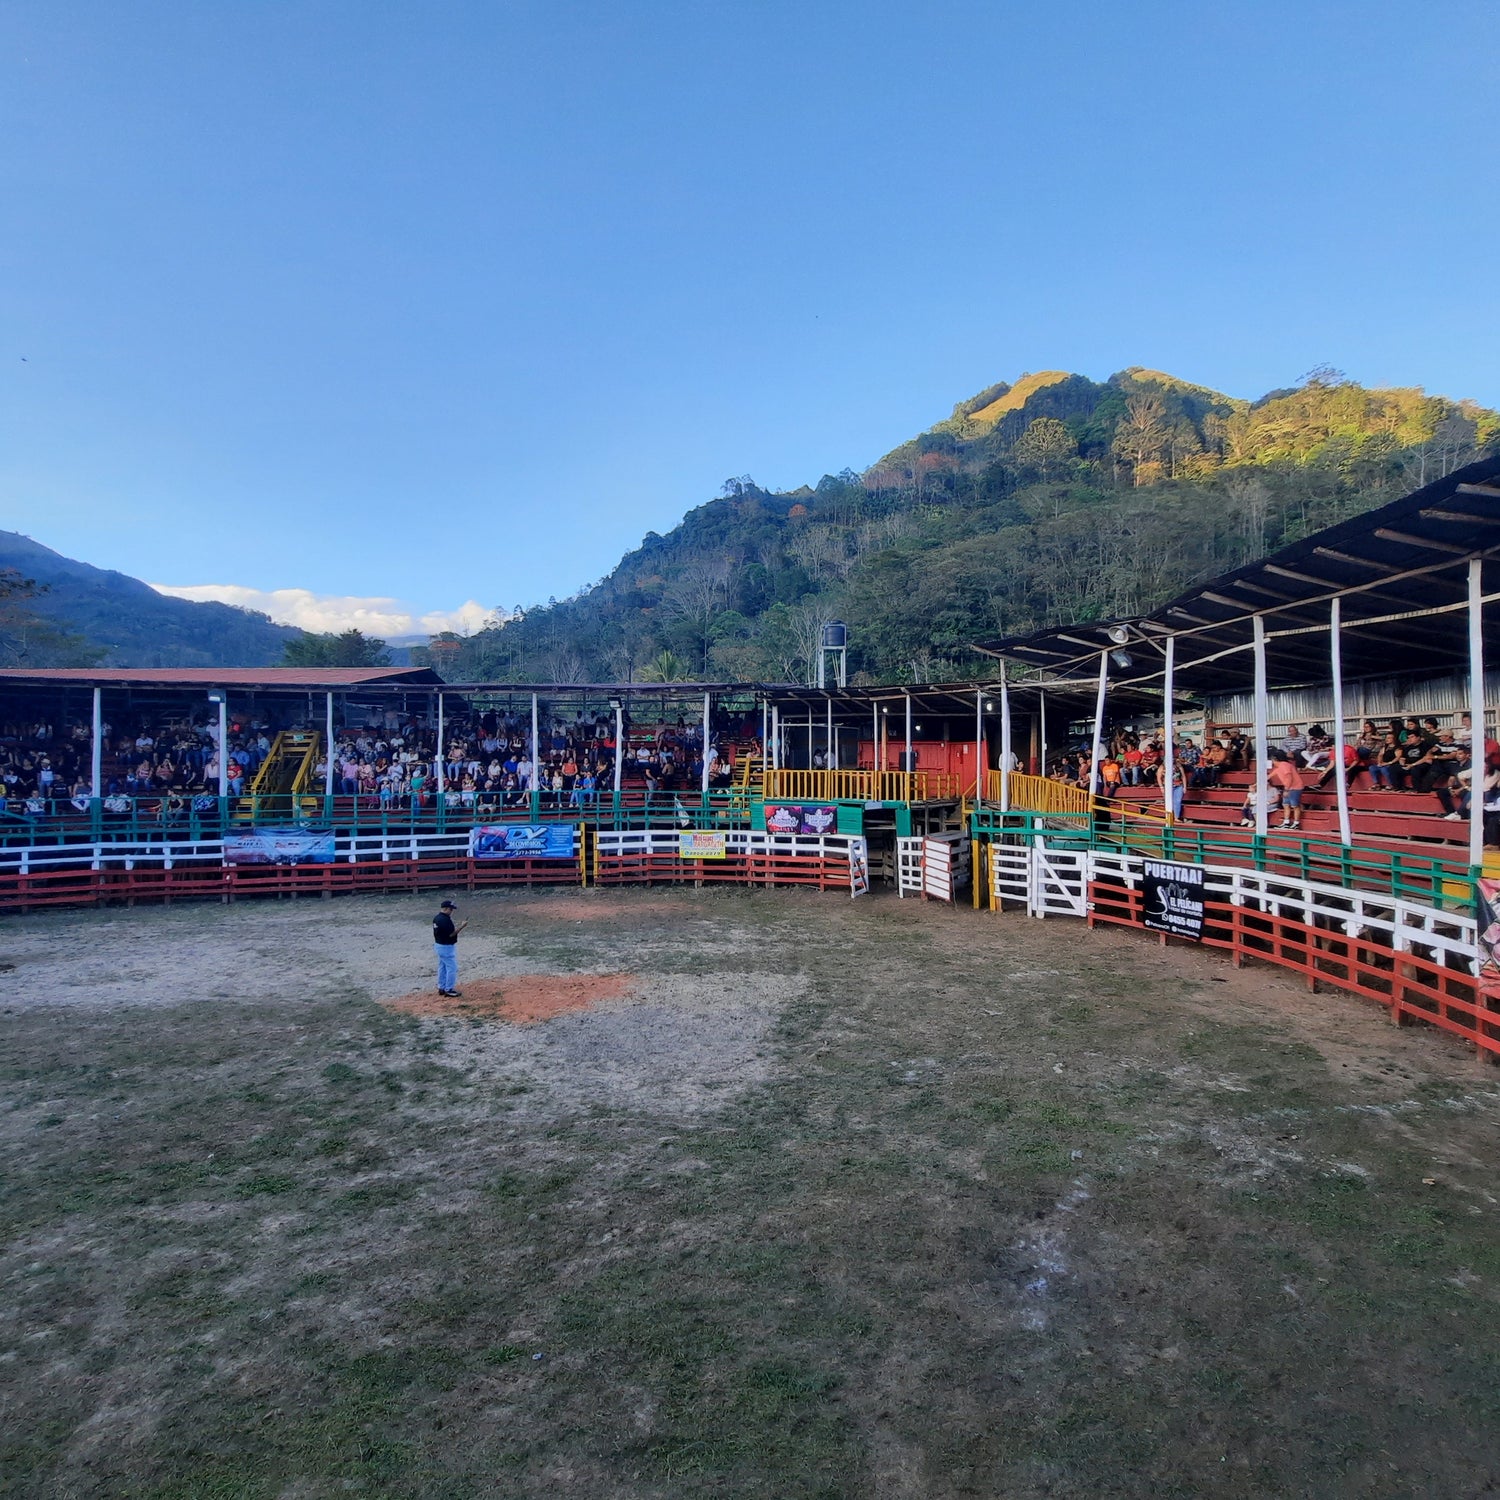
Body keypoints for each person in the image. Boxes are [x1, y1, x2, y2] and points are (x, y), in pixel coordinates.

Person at [432, 899, 466, 996]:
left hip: (439, 945)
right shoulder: (445, 920)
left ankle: (441, 987)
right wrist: (462, 926)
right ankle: (449, 989)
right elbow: (451, 934)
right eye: (451, 910)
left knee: (442, 967)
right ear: (446, 909)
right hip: (446, 947)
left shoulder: (437, 918)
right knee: (452, 968)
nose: (451, 912)